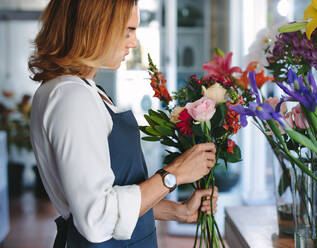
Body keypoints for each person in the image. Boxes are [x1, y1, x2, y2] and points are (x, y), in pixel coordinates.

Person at [28, 0, 218, 247]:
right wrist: (174, 174)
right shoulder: (71, 98)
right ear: (93, 27)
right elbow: (96, 218)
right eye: (127, 30)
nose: (133, 42)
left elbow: (113, 196)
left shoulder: (84, 90)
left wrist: (178, 211)